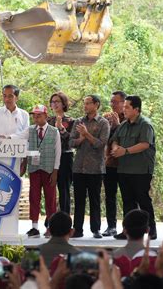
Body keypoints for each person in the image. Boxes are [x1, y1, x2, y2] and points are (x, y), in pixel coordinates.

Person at [9, 105, 61, 238]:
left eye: (39, 115)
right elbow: (18, 137)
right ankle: (34, 227)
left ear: (46, 116)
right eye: (34, 115)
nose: (36, 118)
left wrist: (55, 170)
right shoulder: (30, 130)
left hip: (49, 169)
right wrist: (3, 137)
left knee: (50, 199)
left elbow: (58, 152)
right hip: (34, 168)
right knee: (34, 197)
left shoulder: (54, 131)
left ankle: (51, 227)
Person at [111, 95, 157, 240]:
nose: (123, 109)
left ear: (136, 109)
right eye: (123, 107)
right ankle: (128, 231)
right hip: (124, 169)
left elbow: (144, 144)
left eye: (127, 107)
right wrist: (115, 148)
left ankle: (151, 229)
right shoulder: (123, 125)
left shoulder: (145, 125)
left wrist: (124, 151)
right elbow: (115, 140)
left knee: (143, 200)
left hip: (141, 170)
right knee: (127, 201)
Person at [69, 95, 110, 239]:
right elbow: (71, 143)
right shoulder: (79, 122)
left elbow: (101, 144)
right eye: (84, 103)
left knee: (95, 200)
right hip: (79, 167)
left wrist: (87, 134)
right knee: (79, 199)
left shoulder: (103, 123)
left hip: (95, 168)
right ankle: (77, 229)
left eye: (88, 103)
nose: (85, 106)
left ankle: (96, 229)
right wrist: (81, 138)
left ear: (96, 105)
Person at [102, 91, 127, 237]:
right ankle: (111, 226)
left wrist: (118, 125)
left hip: (125, 164)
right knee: (110, 196)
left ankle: (129, 227)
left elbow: (127, 140)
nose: (113, 104)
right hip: (109, 163)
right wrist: (112, 126)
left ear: (124, 103)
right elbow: (104, 140)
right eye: (111, 101)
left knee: (127, 197)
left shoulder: (129, 119)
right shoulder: (106, 118)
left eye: (116, 102)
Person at [48, 92, 75, 214]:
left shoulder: (71, 121)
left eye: (57, 101)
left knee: (64, 189)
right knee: (49, 189)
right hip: (50, 158)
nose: (55, 104)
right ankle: (50, 221)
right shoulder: (47, 120)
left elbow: (71, 141)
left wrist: (60, 128)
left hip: (65, 156)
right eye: (52, 102)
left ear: (64, 103)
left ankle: (65, 219)